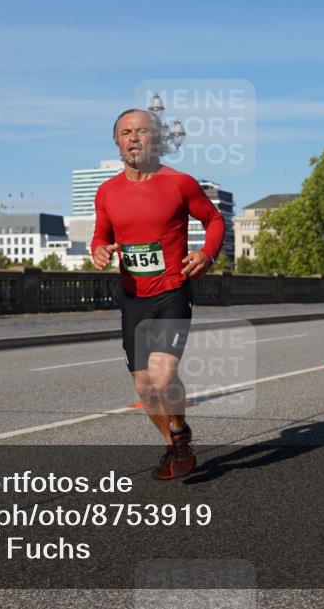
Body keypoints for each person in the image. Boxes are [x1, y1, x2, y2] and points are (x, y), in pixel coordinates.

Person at [92, 108, 226, 480]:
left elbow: (214, 219)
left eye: (141, 131)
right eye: (125, 132)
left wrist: (206, 253)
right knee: (143, 386)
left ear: (157, 139)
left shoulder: (179, 183)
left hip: (171, 290)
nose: (133, 137)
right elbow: (101, 235)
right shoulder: (107, 192)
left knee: (162, 375)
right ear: (117, 141)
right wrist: (99, 250)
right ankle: (174, 447)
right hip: (133, 296)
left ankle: (180, 433)